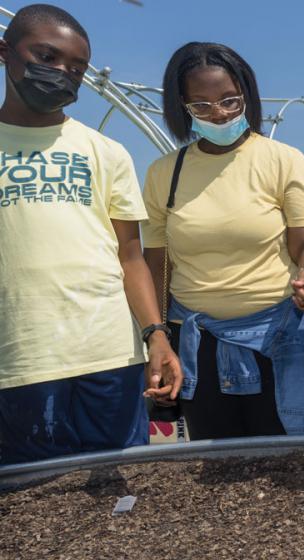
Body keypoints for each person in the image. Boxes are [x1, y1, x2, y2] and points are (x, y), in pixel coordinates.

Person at [0, 4, 181, 464]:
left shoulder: (105, 151)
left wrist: (155, 335)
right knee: (32, 505)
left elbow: (130, 256)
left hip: (109, 356)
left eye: (76, 67)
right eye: (47, 56)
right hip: (20, 361)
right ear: (6, 52)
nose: (62, 73)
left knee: (121, 496)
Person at [142, 42, 304, 440]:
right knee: (218, 467)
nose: (220, 113)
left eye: (229, 100)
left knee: (291, 462)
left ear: (246, 95)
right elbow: (158, 264)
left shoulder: (283, 160)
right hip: (199, 347)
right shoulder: (165, 174)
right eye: (202, 106)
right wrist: (157, 336)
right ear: (182, 107)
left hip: (278, 339)